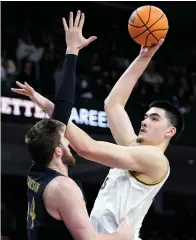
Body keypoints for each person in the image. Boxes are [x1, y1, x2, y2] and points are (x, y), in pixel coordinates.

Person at [12, 41, 184, 239]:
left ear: (170, 131)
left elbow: (86, 148)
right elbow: (113, 104)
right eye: (145, 116)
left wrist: (55, 111)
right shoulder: (134, 150)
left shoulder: (155, 159)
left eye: (154, 118)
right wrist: (143, 58)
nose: (145, 121)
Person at [12, 11, 133, 240]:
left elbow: (63, 111)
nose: (69, 140)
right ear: (58, 151)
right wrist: (122, 236)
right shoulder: (63, 189)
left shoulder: (38, 167)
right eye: (65, 139)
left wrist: (72, 50)